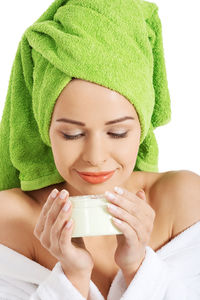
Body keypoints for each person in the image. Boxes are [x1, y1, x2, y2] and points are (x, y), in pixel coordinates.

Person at [0, 1, 200, 299]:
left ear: (142, 127)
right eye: (72, 134)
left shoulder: (184, 201)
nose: (95, 156)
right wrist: (73, 274)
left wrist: (137, 265)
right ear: (45, 129)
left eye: (118, 132)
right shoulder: (10, 220)